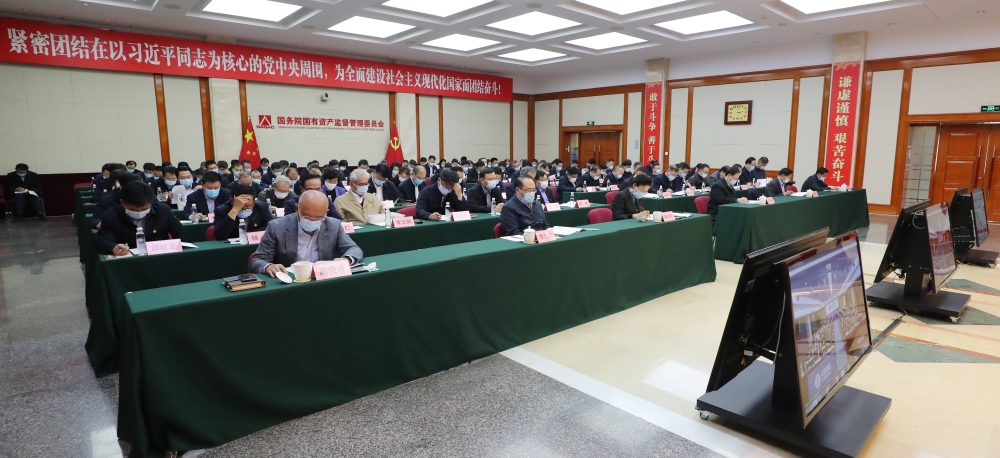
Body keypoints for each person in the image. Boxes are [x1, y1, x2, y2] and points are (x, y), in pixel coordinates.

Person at [249, 190, 363, 277]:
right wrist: (269, 266)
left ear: (326, 213)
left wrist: (346, 259)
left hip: (322, 278)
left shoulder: (333, 225)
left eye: (318, 217)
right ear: (297, 208)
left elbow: (354, 249)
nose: (312, 220)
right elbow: (256, 260)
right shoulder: (276, 227)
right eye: (307, 216)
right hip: (292, 280)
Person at [96, 182, 187, 255]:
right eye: (133, 209)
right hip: (129, 259)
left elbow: (182, 235)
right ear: (122, 203)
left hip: (161, 255)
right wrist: (113, 247)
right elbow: (103, 241)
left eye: (144, 209)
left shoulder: (163, 210)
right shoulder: (111, 216)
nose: (139, 212)